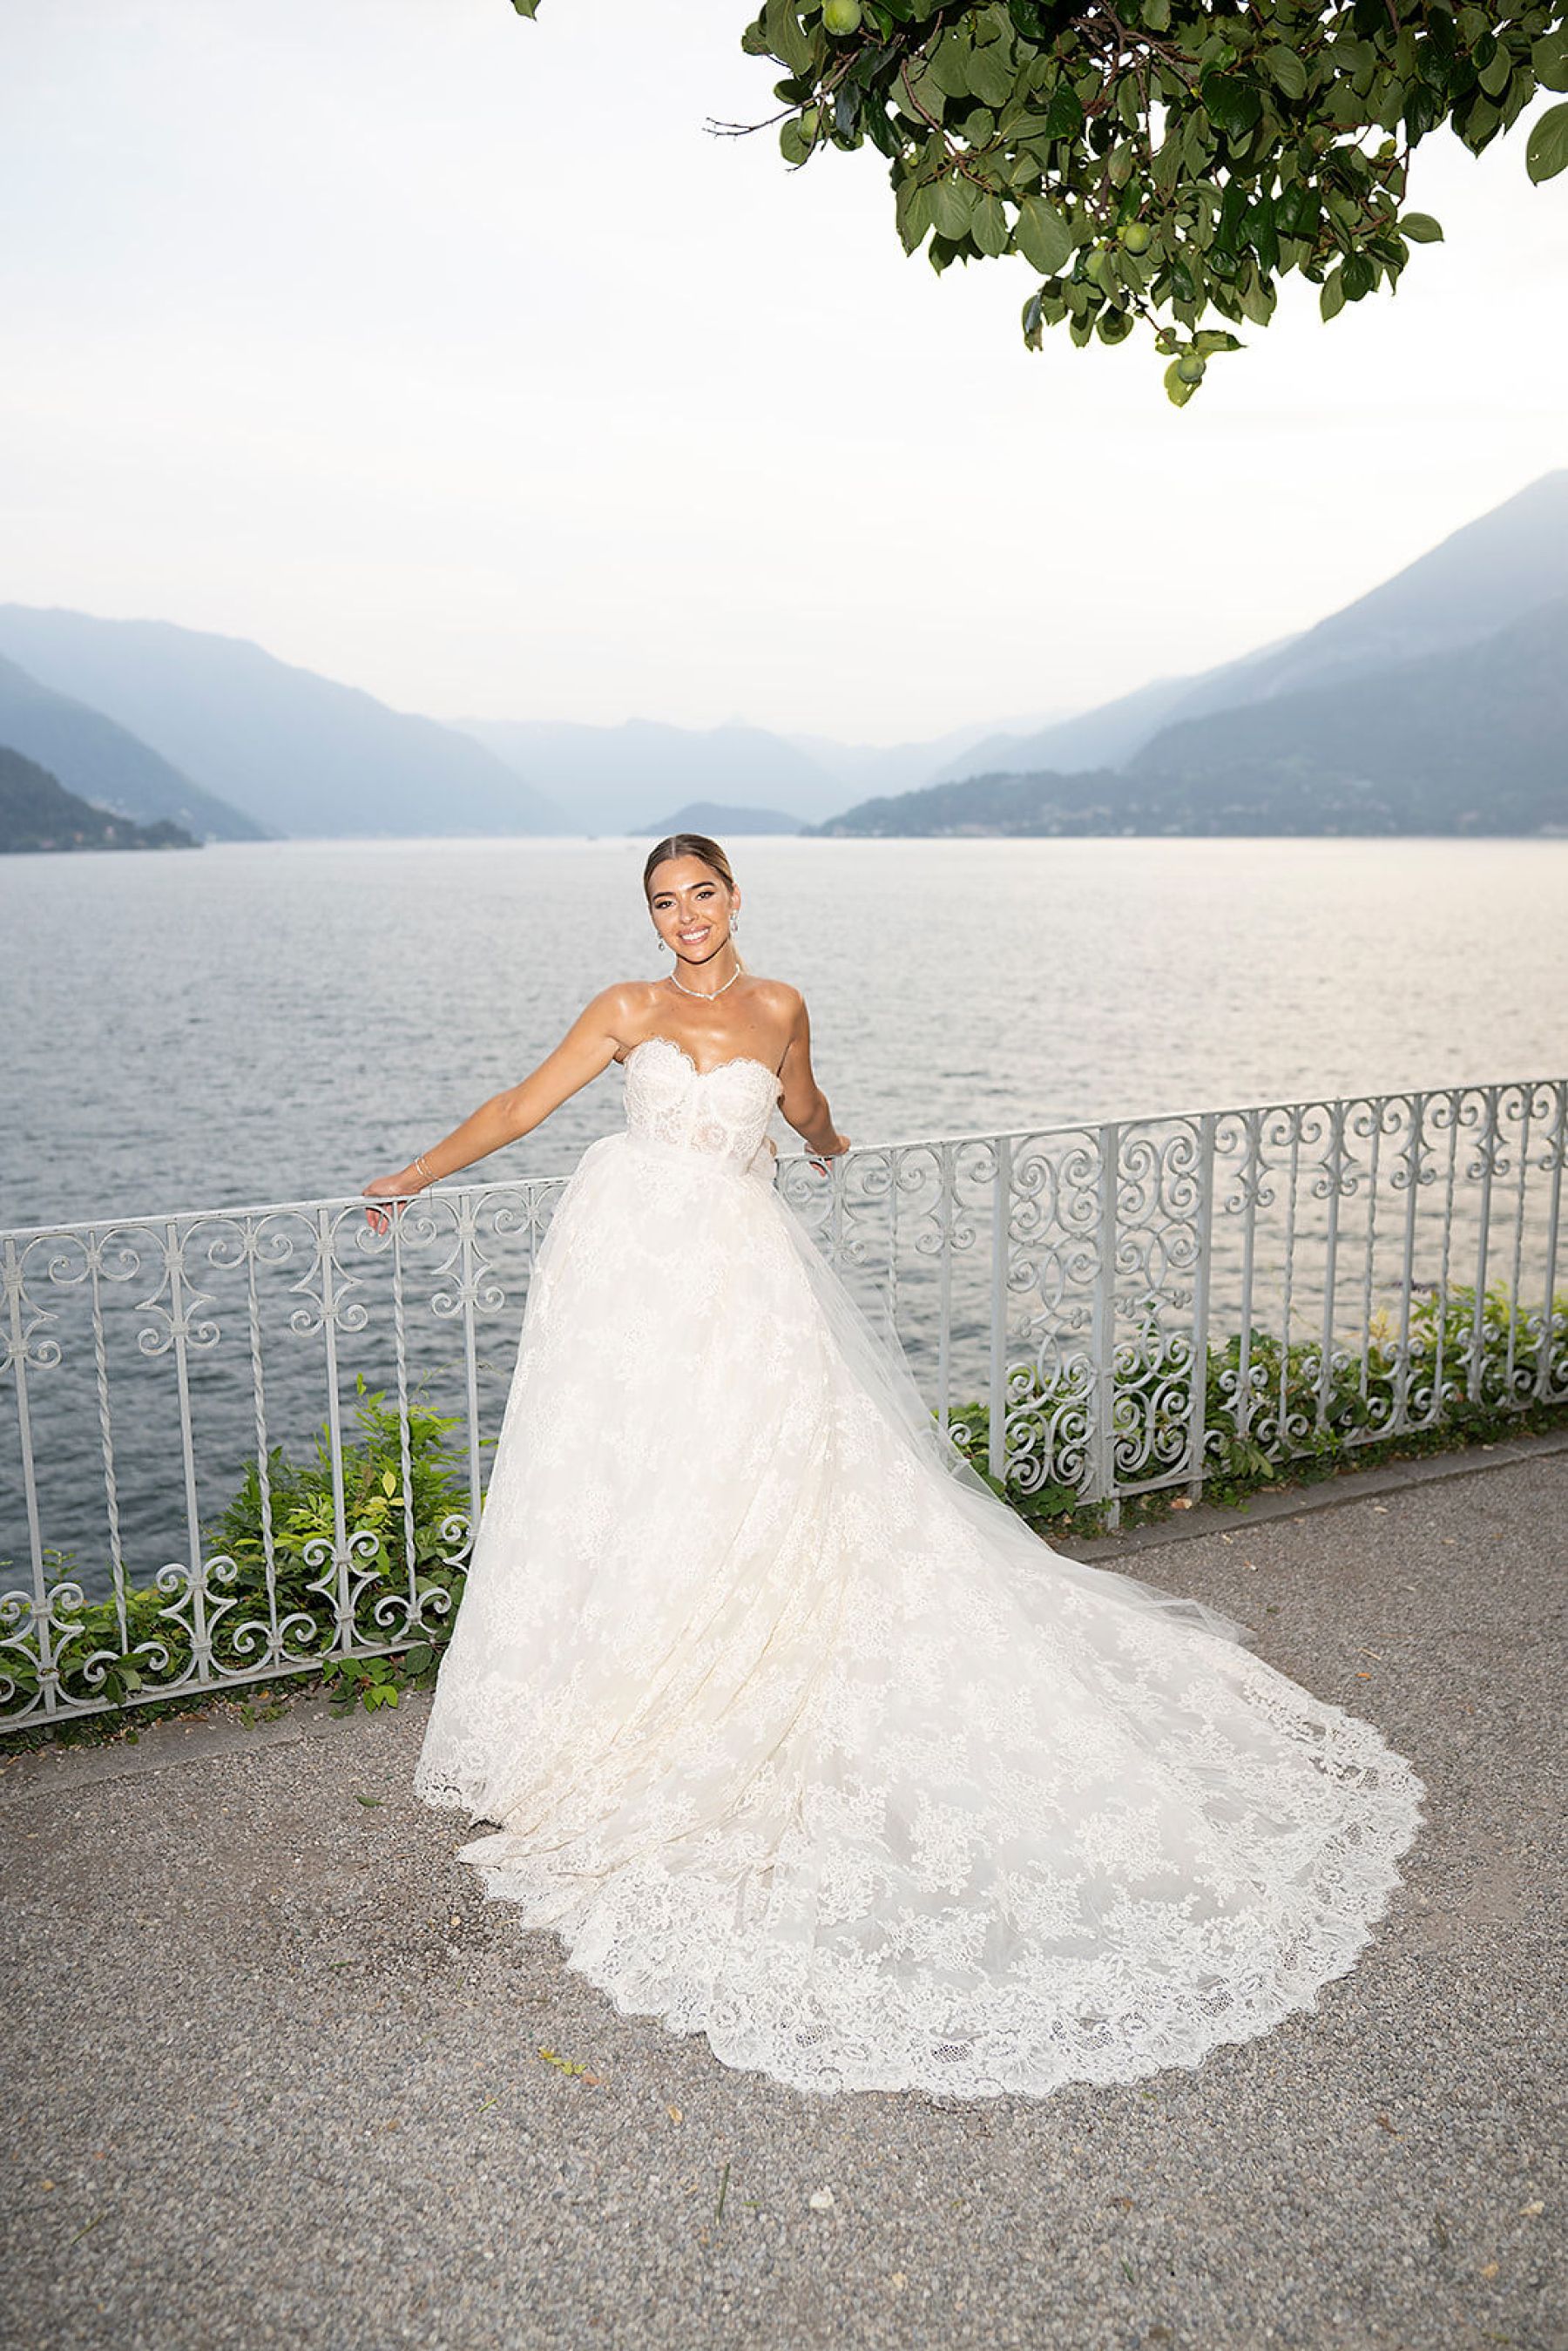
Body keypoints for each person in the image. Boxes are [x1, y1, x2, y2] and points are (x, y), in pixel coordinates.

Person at [362, 832, 1425, 2101]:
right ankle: (600, 1701)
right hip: (626, 1281)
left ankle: (714, 1684)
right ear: (648, 919)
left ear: (735, 898)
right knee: (618, 1482)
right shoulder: (625, 1009)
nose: (686, 916)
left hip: (742, 1287)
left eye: (703, 893)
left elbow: (805, 1105)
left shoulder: (780, 1005)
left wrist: (829, 1144)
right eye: (664, 902)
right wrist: (415, 1175)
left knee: (745, 1478)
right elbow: (520, 1109)